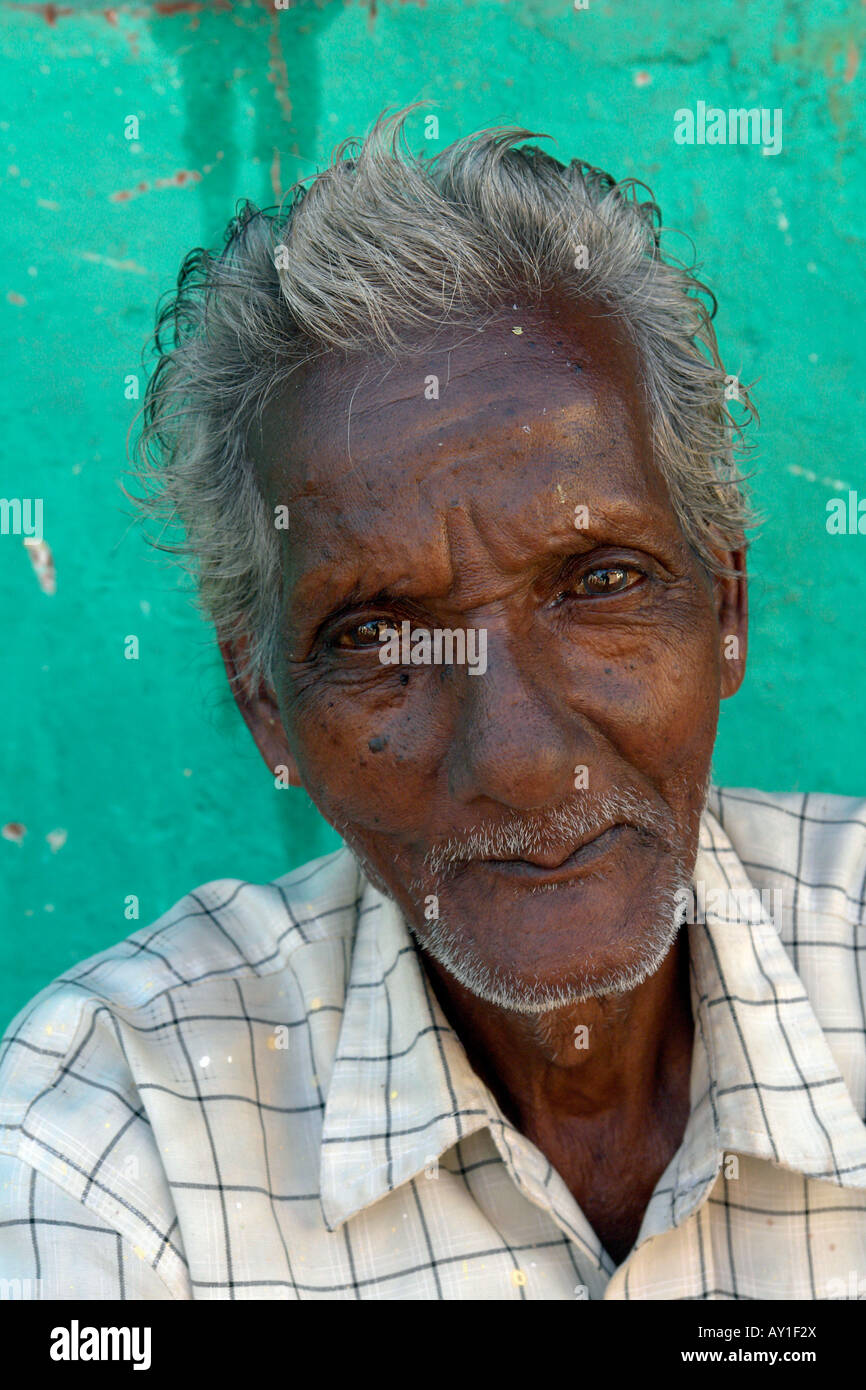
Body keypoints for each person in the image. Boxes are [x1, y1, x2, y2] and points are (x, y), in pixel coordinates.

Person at [2, 108, 864, 1300]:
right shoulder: (115, 1125)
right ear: (265, 709)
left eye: (597, 582)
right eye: (377, 639)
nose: (515, 759)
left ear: (724, 607)